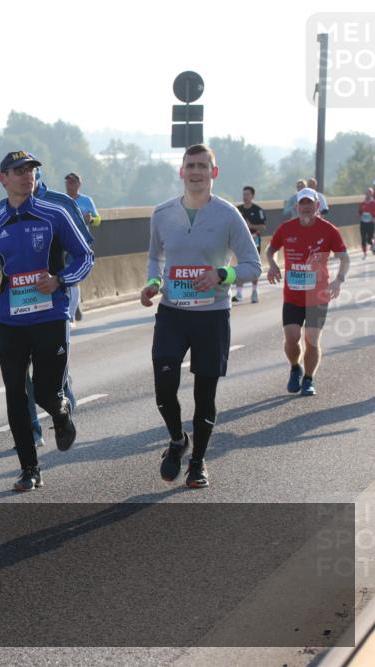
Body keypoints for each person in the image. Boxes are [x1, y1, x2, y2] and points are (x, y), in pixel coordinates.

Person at [0, 150, 94, 492]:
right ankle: (29, 469)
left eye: (32, 170)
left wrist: (60, 280)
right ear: (3, 179)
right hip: (11, 320)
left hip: (50, 315)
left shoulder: (54, 214)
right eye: (19, 170)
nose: (27, 176)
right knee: (14, 393)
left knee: (44, 392)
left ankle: (60, 410)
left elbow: (86, 256)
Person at [140, 144, 260, 489]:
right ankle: (178, 440)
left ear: (213, 173)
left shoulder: (227, 215)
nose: (195, 172)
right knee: (164, 388)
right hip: (173, 314)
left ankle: (198, 462)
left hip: (212, 315)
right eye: (190, 165)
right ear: (181, 171)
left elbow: (253, 265)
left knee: (204, 396)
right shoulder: (162, 213)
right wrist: (151, 283)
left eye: (202, 166)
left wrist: (222, 275)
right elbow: (155, 259)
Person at [266, 187, 349, 396]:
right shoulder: (286, 228)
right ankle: (295, 367)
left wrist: (338, 280)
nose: (306, 207)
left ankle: (309, 379)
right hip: (293, 295)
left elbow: (344, 257)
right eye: (302, 204)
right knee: (292, 339)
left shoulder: (329, 230)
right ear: (297, 206)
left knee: (312, 340)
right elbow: (271, 249)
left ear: (317, 205)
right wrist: (273, 264)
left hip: (317, 295)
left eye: (309, 203)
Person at [63, 172, 101, 322]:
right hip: (63, 244)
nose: (69, 185)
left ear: (79, 184)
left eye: (72, 182)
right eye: (67, 182)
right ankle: (74, 306)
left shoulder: (86, 201)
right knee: (64, 278)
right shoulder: (62, 200)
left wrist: (91, 219)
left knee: (73, 279)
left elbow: (98, 220)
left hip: (81, 243)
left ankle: (70, 315)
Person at [233, 185, 267, 303]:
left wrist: (251, 226)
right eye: (244, 195)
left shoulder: (258, 210)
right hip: (240, 241)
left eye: (247, 195)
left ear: (252, 196)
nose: (245, 197)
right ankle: (238, 293)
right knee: (240, 265)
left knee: (253, 264)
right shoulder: (237, 210)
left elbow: (263, 226)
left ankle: (254, 291)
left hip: (254, 240)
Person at [359, 187, 375, 259]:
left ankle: (373, 244)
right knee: (363, 238)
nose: (368, 194)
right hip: (363, 222)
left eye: (370, 192)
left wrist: (372, 217)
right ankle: (364, 253)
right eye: (367, 192)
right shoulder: (362, 203)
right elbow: (359, 211)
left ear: (372, 194)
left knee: (369, 239)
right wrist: (360, 215)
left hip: (371, 223)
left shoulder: (373, 203)